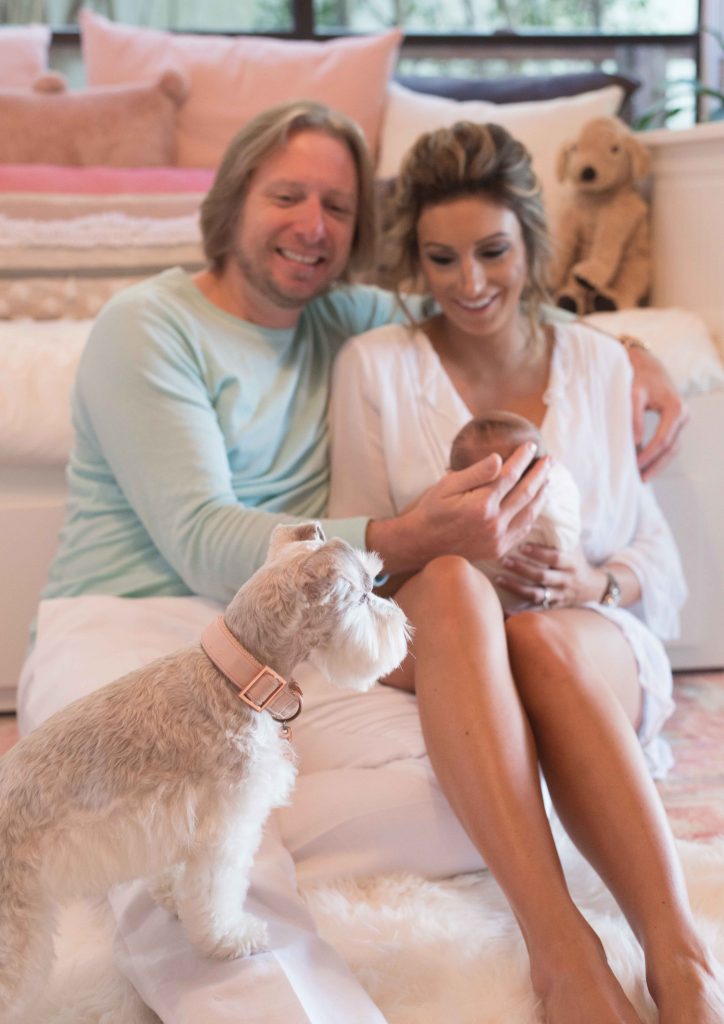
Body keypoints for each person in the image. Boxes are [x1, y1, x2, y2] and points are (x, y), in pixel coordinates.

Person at [15, 100, 701, 1024]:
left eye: (338, 206)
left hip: (275, 620)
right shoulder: (149, 325)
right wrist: (412, 533)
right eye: (288, 195)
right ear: (232, 202)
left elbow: (485, 301)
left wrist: (629, 346)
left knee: (423, 647)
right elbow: (205, 538)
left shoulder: (344, 316)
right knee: (187, 837)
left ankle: (582, 953)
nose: (313, 227)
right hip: (135, 608)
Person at [327, 120, 724, 1023]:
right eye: (441, 258)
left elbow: (656, 562)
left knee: (542, 638)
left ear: (531, 242)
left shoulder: (598, 363)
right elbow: (351, 554)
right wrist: (438, 540)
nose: (470, 283)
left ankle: (684, 963)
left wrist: (594, 584)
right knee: (461, 590)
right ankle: (565, 957)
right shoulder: (374, 369)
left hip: (580, 635)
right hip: (440, 636)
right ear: (413, 263)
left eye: (493, 251)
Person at [448, 411, 581, 613]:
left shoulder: (553, 492)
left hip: (551, 607)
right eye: (487, 482)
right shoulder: (444, 507)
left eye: (522, 473)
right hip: (478, 606)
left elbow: (567, 538)